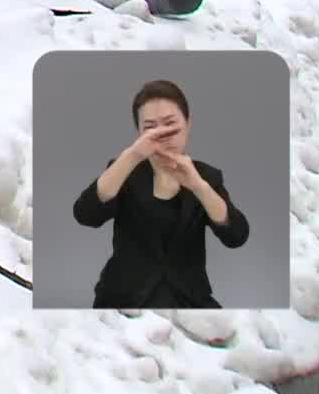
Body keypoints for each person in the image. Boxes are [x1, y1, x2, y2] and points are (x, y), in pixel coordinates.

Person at [72, 79, 250, 308]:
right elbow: (85, 215)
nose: (162, 135)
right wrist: (133, 155)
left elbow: (236, 236)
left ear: (188, 123)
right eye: (150, 128)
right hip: (123, 299)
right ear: (139, 133)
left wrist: (199, 186)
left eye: (170, 124)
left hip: (188, 300)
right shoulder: (125, 170)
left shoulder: (207, 176)